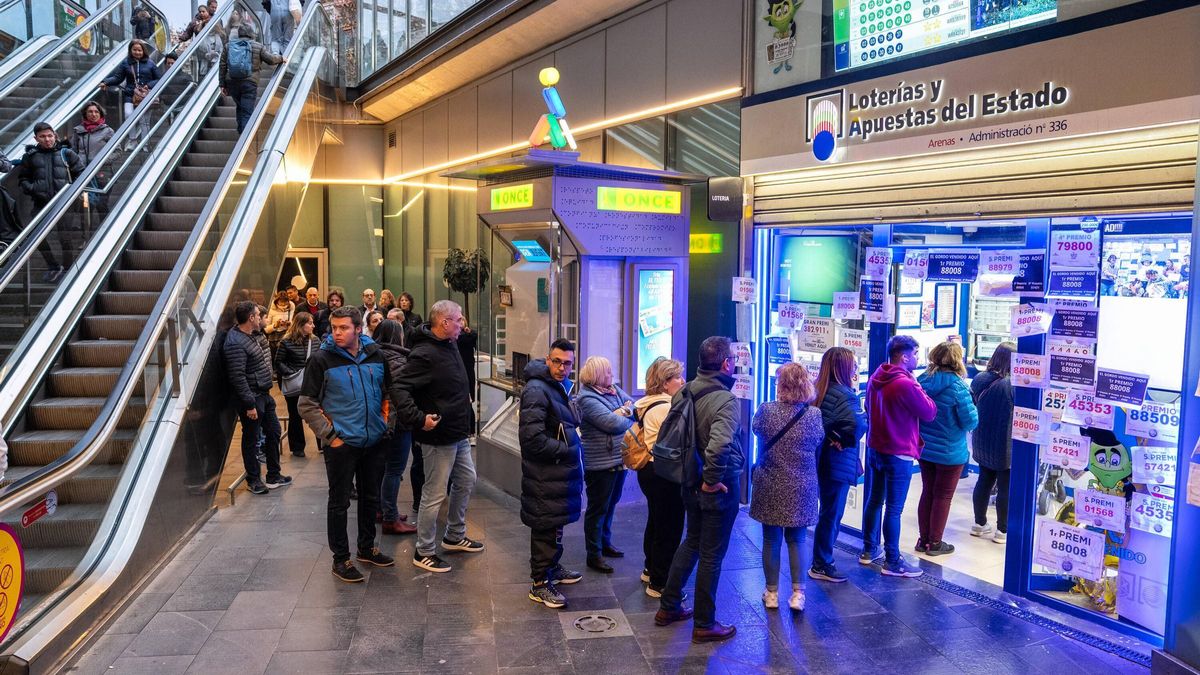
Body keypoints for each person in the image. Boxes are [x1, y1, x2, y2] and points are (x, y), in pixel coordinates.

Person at [655, 336, 744, 644]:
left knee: (692, 541)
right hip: (716, 486)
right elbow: (719, 445)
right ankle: (705, 623)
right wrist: (711, 478)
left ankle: (669, 605)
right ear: (725, 364)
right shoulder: (726, 400)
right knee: (711, 554)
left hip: (688, 479)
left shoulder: (685, 390)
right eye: (731, 357)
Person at [298, 306, 395, 582]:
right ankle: (341, 559)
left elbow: (388, 393)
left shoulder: (377, 355)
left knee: (370, 497)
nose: (337, 333)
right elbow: (307, 406)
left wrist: (385, 425)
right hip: (342, 444)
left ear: (358, 329)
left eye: (344, 328)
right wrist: (332, 437)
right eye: (334, 328)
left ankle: (366, 548)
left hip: (373, 440)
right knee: (339, 502)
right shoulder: (321, 360)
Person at [394, 299, 483, 573]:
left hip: (457, 432)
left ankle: (454, 535)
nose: (462, 324)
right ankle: (424, 550)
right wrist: (419, 419)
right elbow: (399, 387)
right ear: (444, 323)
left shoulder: (450, 343)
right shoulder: (424, 353)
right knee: (434, 494)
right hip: (438, 437)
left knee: (466, 479)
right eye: (458, 319)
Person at [860, 334, 937, 578]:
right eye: (915, 354)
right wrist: (919, 386)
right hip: (899, 451)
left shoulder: (876, 377)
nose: (917, 358)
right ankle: (892, 560)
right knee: (894, 509)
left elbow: (868, 409)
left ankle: (869, 550)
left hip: (876, 448)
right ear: (903, 357)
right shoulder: (906, 383)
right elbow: (929, 412)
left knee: (874, 501)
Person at [750, 362, 823, 611]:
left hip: (770, 481)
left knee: (771, 539)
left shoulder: (766, 411)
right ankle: (798, 595)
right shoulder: (814, 415)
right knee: (798, 539)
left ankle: (771, 594)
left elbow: (755, 430)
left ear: (781, 385)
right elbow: (818, 441)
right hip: (802, 485)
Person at [519, 338, 585, 608]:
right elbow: (531, 439)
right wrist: (565, 449)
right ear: (547, 359)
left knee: (553, 524)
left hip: (556, 474)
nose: (562, 367)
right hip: (545, 474)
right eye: (556, 361)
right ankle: (539, 583)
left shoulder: (558, 386)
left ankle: (552, 568)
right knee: (545, 527)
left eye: (567, 363)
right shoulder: (537, 389)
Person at [914, 341, 979, 556]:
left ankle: (923, 540)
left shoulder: (921, 381)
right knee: (943, 497)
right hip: (951, 452)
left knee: (927, 493)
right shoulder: (959, 387)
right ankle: (935, 543)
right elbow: (970, 421)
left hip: (925, 449)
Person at [810, 347, 866, 584]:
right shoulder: (846, 395)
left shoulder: (816, 390)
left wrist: (833, 435)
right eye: (852, 364)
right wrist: (844, 438)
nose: (855, 368)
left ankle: (821, 560)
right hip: (837, 462)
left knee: (827, 511)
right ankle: (822, 563)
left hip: (819, 459)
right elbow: (857, 425)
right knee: (832, 514)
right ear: (843, 368)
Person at [222, 301, 290, 495]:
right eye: (258, 315)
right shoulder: (235, 342)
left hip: (264, 393)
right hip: (251, 398)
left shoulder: (255, 334)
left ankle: (273, 475)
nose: (261, 317)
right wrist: (249, 404)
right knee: (251, 439)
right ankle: (253, 479)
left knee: (274, 431)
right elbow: (237, 376)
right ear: (251, 318)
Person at [575, 356, 634, 574]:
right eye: (608, 372)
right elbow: (612, 424)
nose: (612, 375)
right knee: (597, 509)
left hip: (619, 459)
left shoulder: (613, 390)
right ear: (597, 375)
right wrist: (623, 412)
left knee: (611, 505)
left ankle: (605, 542)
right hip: (599, 463)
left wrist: (623, 412)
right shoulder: (586, 398)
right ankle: (594, 554)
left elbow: (634, 408)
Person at [634, 357, 686, 598]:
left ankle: (650, 568)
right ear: (665, 383)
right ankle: (660, 582)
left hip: (649, 470)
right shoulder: (667, 407)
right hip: (665, 472)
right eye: (677, 377)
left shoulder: (645, 403)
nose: (682, 381)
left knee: (655, 520)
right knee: (670, 527)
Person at [18, 123, 86, 282]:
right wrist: (32, 188)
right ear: (36, 138)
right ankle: (53, 266)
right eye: (42, 136)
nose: (47, 139)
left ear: (54, 135)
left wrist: (71, 191)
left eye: (49, 135)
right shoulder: (31, 156)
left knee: (65, 238)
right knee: (35, 237)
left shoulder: (66, 153)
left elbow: (82, 173)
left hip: (63, 204)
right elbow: (23, 178)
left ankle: (67, 269)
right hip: (41, 204)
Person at [371, 320, 419, 535]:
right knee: (394, 470)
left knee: (382, 468)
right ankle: (390, 518)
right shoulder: (399, 359)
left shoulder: (371, 355)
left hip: (377, 420)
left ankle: (382, 509)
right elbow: (401, 395)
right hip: (397, 422)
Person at [970, 342, 1015, 545]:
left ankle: (979, 524)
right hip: (1004, 444)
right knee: (1005, 487)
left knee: (984, 481)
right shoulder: (1012, 385)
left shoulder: (979, 378)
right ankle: (1002, 531)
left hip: (981, 439)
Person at [220, 24, 286, 133]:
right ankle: (244, 140)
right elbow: (271, 60)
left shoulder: (228, 46)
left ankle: (241, 131)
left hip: (232, 82)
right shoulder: (258, 46)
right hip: (249, 83)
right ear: (251, 33)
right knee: (247, 111)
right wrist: (281, 58)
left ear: (239, 33)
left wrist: (222, 84)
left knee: (240, 107)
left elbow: (222, 65)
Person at [274, 311, 318, 457]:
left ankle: (322, 443)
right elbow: (278, 362)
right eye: (310, 323)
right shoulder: (286, 342)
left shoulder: (315, 341)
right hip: (295, 384)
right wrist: (291, 373)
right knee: (295, 415)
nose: (313, 325)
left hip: (313, 383)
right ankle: (297, 447)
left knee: (318, 413)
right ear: (300, 325)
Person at [100, 40, 160, 147]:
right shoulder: (126, 63)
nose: (137, 52)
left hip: (145, 96)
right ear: (130, 50)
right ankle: (133, 141)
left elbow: (159, 79)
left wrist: (149, 85)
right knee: (128, 115)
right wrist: (106, 82)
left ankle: (145, 144)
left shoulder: (150, 63)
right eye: (134, 50)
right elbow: (118, 78)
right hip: (130, 94)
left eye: (139, 50)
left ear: (143, 51)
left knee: (144, 121)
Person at [264, 291, 294, 359]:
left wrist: (289, 323)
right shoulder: (271, 309)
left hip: (287, 337)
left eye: (285, 302)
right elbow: (266, 329)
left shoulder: (291, 307)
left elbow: (293, 324)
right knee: (275, 359)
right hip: (274, 339)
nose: (283, 304)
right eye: (281, 302)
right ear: (277, 301)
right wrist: (275, 325)